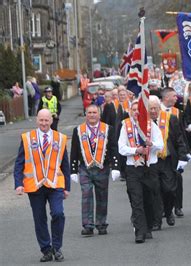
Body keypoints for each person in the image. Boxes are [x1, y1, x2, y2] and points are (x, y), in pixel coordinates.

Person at [13, 109, 71, 262]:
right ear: (36, 120)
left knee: (58, 213)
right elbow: (19, 163)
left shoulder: (60, 138)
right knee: (39, 219)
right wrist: (18, 184)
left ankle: (57, 248)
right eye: (41, 120)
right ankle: (46, 249)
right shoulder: (27, 138)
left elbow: (65, 165)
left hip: (55, 183)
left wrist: (67, 188)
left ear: (51, 121)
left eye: (47, 120)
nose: (44, 123)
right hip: (35, 185)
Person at [70, 104, 120, 236]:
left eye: (94, 112)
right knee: (86, 194)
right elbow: (74, 151)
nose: (92, 115)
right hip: (84, 168)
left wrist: (115, 167)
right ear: (86, 114)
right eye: (89, 112)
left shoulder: (108, 129)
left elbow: (114, 148)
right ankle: (88, 225)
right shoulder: (78, 130)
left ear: (99, 114)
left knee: (102, 196)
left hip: (102, 168)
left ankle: (101, 223)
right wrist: (73, 170)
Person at [118, 101, 164, 243]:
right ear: (130, 111)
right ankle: (139, 231)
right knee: (136, 200)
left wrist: (152, 145)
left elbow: (160, 145)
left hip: (149, 167)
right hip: (133, 168)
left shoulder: (152, 125)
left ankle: (149, 225)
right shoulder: (126, 126)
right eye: (134, 110)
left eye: (139, 110)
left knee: (149, 199)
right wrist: (135, 150)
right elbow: (121, 148)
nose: (136, 112)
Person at [149, 95, 188, 229]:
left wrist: (183, 157)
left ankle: (168, 210)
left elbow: (179, 139)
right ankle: (157, 220)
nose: (153, 111)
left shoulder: (170, 119)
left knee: (169, 190)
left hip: (167, 160)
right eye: (150, 109)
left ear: (160, 108)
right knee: (155, 191)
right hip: (152, 161)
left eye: (155, 108)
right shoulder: (144, 122)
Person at [160, 87, 191, 217]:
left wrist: (185, 152)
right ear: (166, 97)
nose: (176, 98)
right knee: (162, 183)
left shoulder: (177, 112)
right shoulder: (156, 111)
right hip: (160, 153)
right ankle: (163, 207)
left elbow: (181, 134)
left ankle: (178, 206)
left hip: (175, 152)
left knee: (177, 179)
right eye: (173, 96)